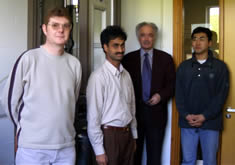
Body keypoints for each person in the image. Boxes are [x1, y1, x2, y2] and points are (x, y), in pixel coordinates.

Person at [1, 7, 82, 165]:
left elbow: (73, 100)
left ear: (70, 29)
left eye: (66, 25)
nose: (61, 30)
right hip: (32, 149)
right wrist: (24, 129)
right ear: (45, 29)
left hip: (65, 148)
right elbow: (8, 101)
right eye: (55, 25)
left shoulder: (75, 64)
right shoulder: (28, 59)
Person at [122, 22, 176, 165]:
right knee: (134, 155)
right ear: (138, 37)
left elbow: (172, 85)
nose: (146, 39)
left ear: (155, 37)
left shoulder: (166, 59)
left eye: (150, 35)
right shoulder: (127, 59)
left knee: (155, 156)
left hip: (157, 115)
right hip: (133, 116)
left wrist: (160, 96)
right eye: (143, 35)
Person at [175, 27, 229, 165]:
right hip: (188, 122)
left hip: (211, 123)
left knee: (210, 161)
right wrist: (186, 115)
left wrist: (204, 116)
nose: (197, 42)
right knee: (188, 161)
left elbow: (221, 96)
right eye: (194, 39)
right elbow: (179, 94)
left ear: (210, 43)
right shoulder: (184, 67)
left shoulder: (220, 67)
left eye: (202, 39)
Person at [86, 25, 137, 165]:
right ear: (105, 47)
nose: (120, 50)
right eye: (115, 46)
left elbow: (132, 108)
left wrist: (134, 136)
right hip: (109, 137)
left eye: (122, 45)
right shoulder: (98, 77)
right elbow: (93, 117)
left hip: (127, 135)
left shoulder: (126, 75)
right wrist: (99, 151)